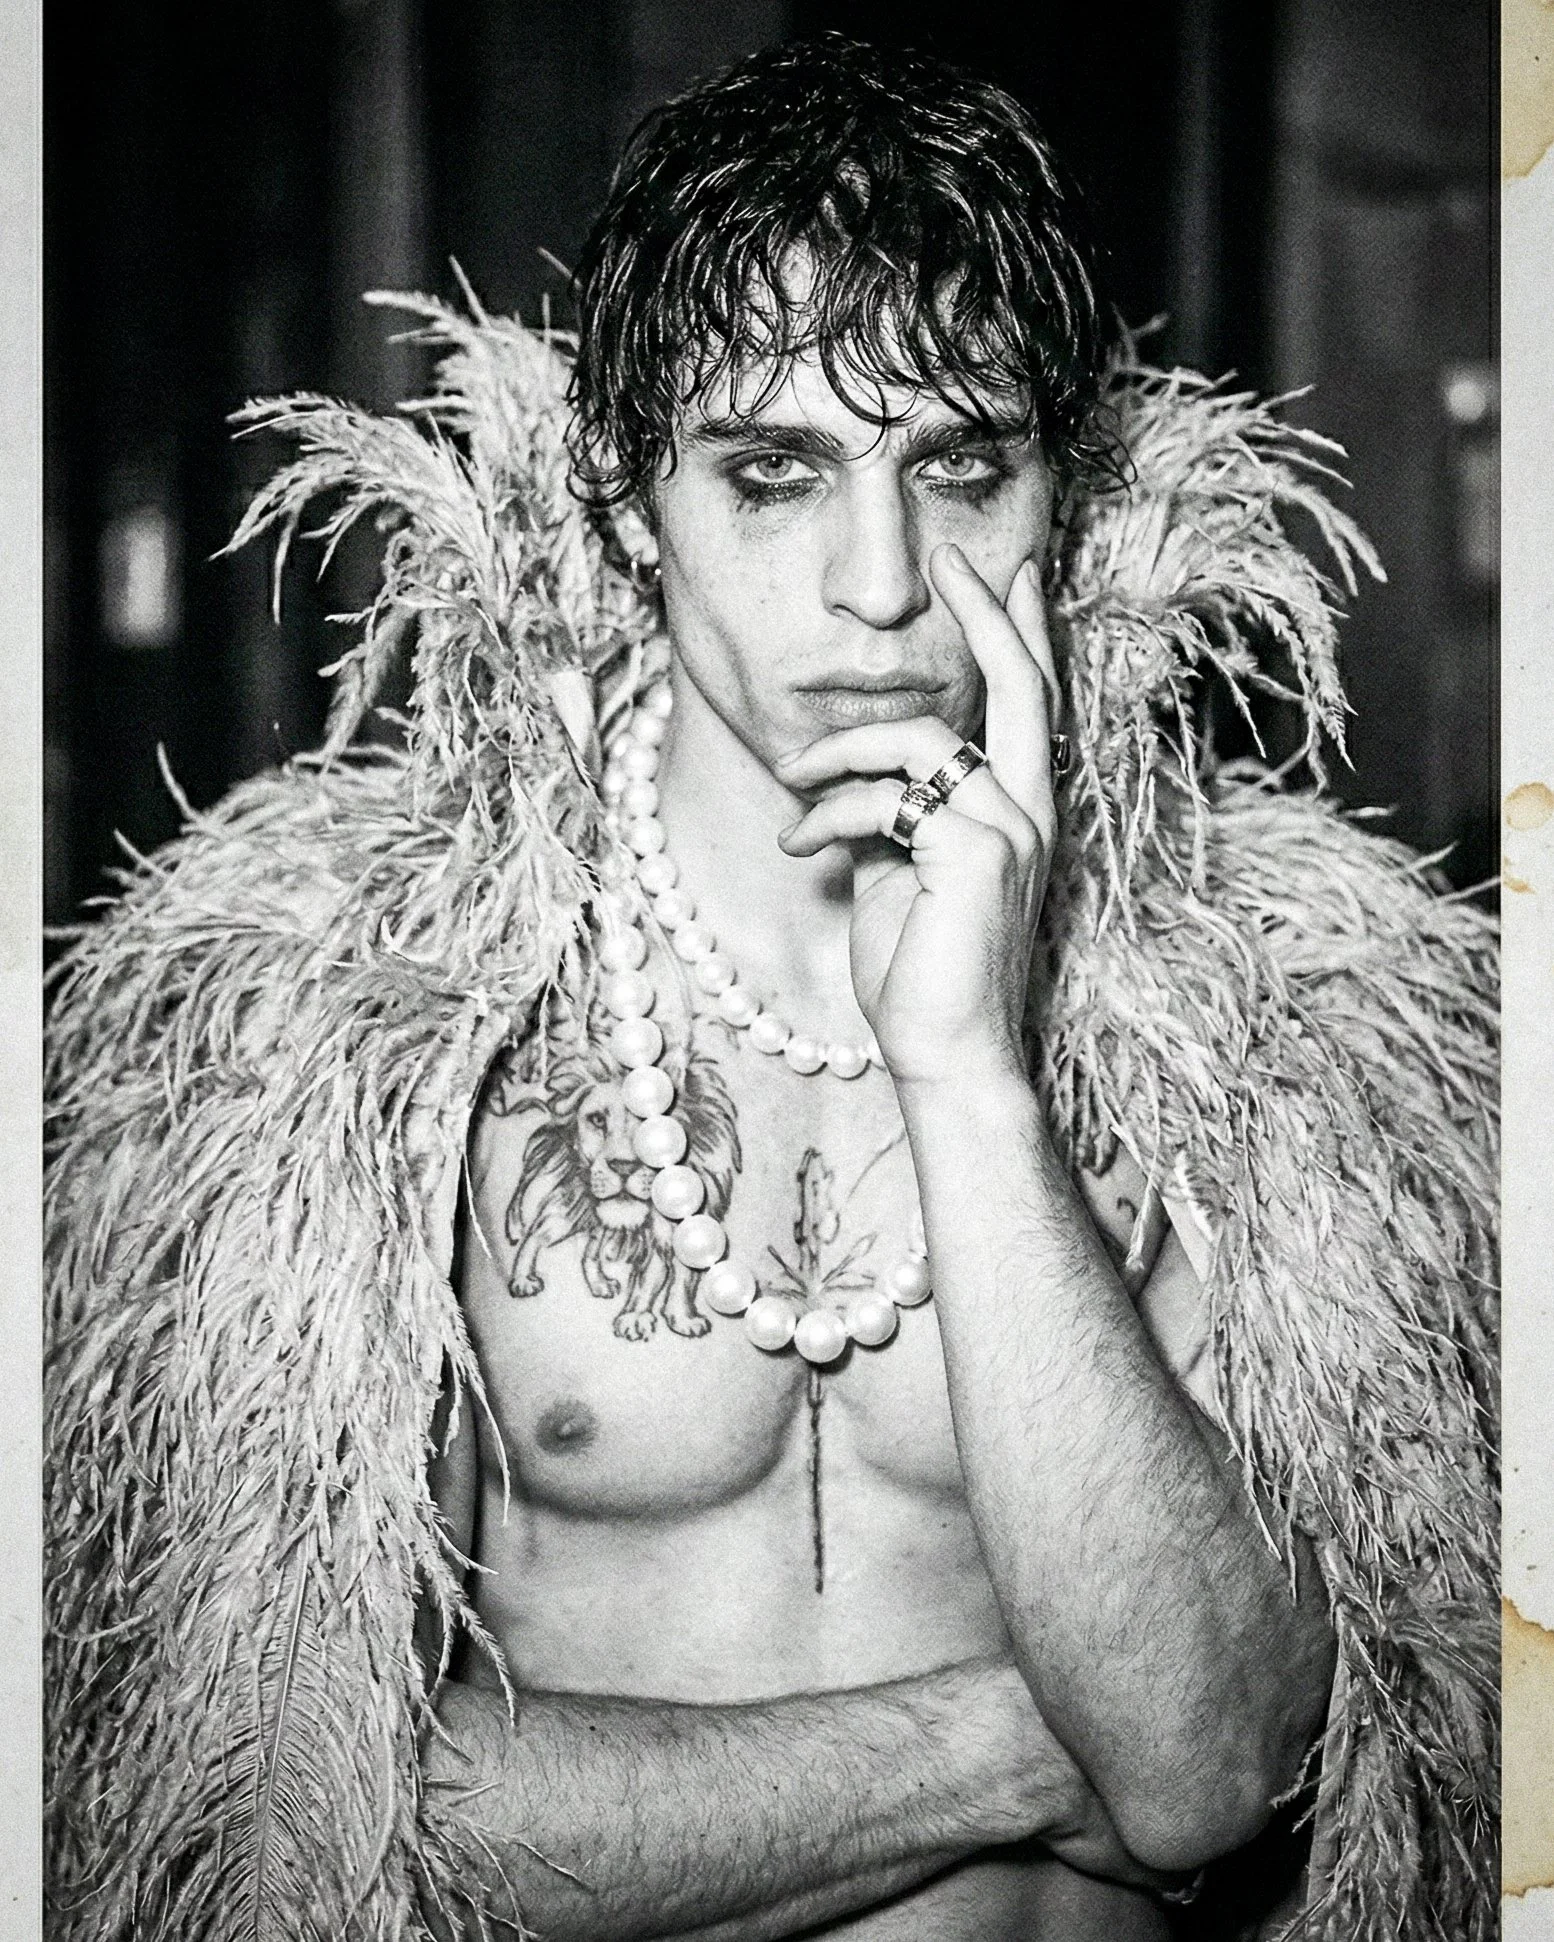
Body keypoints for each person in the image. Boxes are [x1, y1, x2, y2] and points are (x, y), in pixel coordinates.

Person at [44, 35, 1496, 1942]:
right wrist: (1018, 1747)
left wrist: (966, 1070)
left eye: (960, 466)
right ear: (628, 504)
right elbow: (315, 1811)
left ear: (1061, 493)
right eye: (772, 472)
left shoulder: (1276, 1010)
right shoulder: (369, 1015)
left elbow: (1213, 1766)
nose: (878, 582)